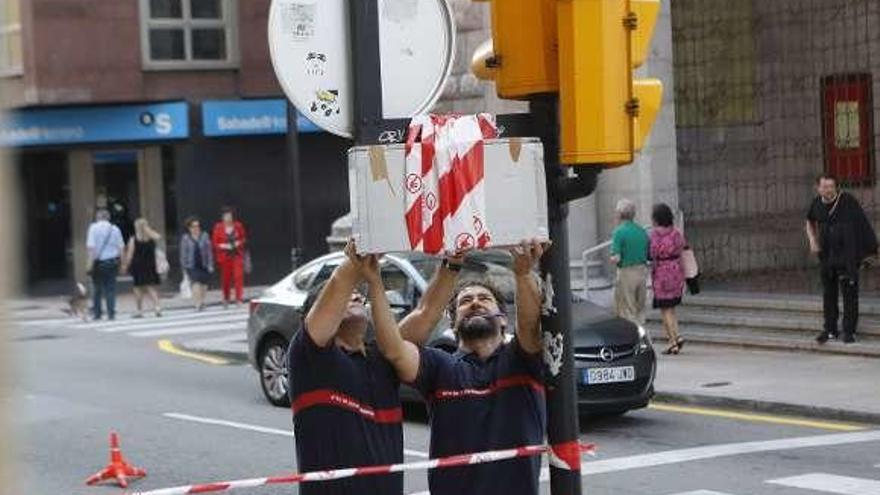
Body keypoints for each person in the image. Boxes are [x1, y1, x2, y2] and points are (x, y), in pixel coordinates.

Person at [356, 239, 546, 495]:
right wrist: (375, 281)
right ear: (454, 324)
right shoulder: (440, 366)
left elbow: (530, 324)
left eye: (484, 299)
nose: (475, 303)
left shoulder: (521, 360)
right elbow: (394, 348)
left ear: (503, 321)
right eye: (465, 301)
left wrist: (522, 274)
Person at [288, 241, 462, 495]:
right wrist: (364, 250)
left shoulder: (383, 358)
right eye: (349, 294)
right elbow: (339, 283)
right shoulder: (308, 357)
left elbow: (426, 313)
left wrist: (452, 264)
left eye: (359, 293)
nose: (356, 294)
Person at [805, 174, 877, 344]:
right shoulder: (816, 203)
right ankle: (830, 330)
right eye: (824, 186)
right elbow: (809, 221)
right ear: (818, 188)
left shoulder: (847, 201)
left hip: (847, 256)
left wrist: (866, 251)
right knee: (828, 294)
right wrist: (813, 242)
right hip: (827, 256)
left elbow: (862, 224)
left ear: (836, 187)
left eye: (831, 186)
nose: (828, 190)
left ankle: (849, 332)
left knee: (849, 294)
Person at [649, 203, 686, 355]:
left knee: (665, 309)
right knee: (672, 308)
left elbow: (653, 253)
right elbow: (682, 248)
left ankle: (673, 341)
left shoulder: (655, 234)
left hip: (662, 273)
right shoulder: (676, 233)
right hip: (676, 270)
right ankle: (677, 335)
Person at [610, 199, 650, 325]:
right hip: (642, 271)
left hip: (626, 272)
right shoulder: (642, 231)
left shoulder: (619, 232)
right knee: (640, 309)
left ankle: (633, 340)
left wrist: (611, 258)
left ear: (619, 214)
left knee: (627, 310)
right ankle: (643, 337)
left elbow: (616, 257)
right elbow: (648, 254)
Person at [86, 208, 125, 321]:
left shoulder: (93, 228)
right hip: (112, 262)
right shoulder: (115, 229)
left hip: (98, 263)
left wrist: (89, 263)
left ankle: (97, 313)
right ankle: (111, 313)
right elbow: (121, 247)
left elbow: (91, 248)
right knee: (110, 289)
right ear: (108, 217)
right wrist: (123, 264)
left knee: (97, 288)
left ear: (98, 217)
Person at [121, 218, 163, 318]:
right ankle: (157, 307)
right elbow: (159, 237)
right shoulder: (151, 238)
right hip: (150, 265)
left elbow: (130, 254)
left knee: (138, 288)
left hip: (138, 266)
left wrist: (125, 265)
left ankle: (139, 310)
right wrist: (148, 230)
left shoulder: (133, 239)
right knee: (151, 287)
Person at [212, 206, 247, 308]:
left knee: (238, 277)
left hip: (236, 255)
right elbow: (214, 242)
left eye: (230, 216)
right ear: (222, 217)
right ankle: (226, 298)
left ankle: (239, 299)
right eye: (226, 216)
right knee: (226, 279)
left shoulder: (238, 226)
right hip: (224, 256)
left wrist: (238, 243)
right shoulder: (218, 227)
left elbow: (243, 238)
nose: (228, 218)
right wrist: (223, 246)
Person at [179, 217, 214, 311]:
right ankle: (197, 304)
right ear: (189, 228)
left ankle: (202, 302)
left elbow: (209, 251)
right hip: (191, 265)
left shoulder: (205, 235)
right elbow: (183, 253)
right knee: (196, 283)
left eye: (197, 226)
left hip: (204, 264)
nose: (196, 228)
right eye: (193, 226)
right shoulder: (185, 238)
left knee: (204, 285)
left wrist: (210, 264)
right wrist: (183, 268)